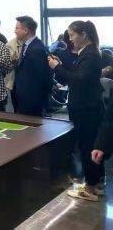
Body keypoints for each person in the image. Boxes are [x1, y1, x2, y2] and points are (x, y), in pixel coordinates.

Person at [48, 20, 104, 201]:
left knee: (87, 146)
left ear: (83, 35)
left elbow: (78, 80)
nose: (70, 39)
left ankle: (89, 188)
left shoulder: (90, 54)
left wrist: (57, 67)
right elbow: (76, 75)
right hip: (86, 106)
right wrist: (60, 66)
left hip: (86, 107)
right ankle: (95, 183)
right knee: (90, 145)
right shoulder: (87, 52)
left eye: (72, 35)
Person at [12, 16, 51, 116]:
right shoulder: (28, 45)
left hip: (32, 101)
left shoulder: (36, 49)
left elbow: (41, 78)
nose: (15, 31)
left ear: (26, 30)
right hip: (23, 98)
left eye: (17, 28)